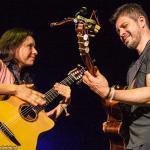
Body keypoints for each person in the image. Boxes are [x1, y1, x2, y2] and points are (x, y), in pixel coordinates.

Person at [83, 3, 150, 150]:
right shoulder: (133, 67)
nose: (121, 33)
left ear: (141, 21)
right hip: (134, 143)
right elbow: (134, 106)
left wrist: (109, 92)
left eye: (125, 26)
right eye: (118, 31)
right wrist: (114, 120)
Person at [0, 28, 71, 122]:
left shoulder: (26, 85)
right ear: (13, 47)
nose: (35, 51)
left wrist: (64, 104)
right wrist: (16, 89)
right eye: (30, 46)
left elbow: (38, 125)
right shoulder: (1, 66)